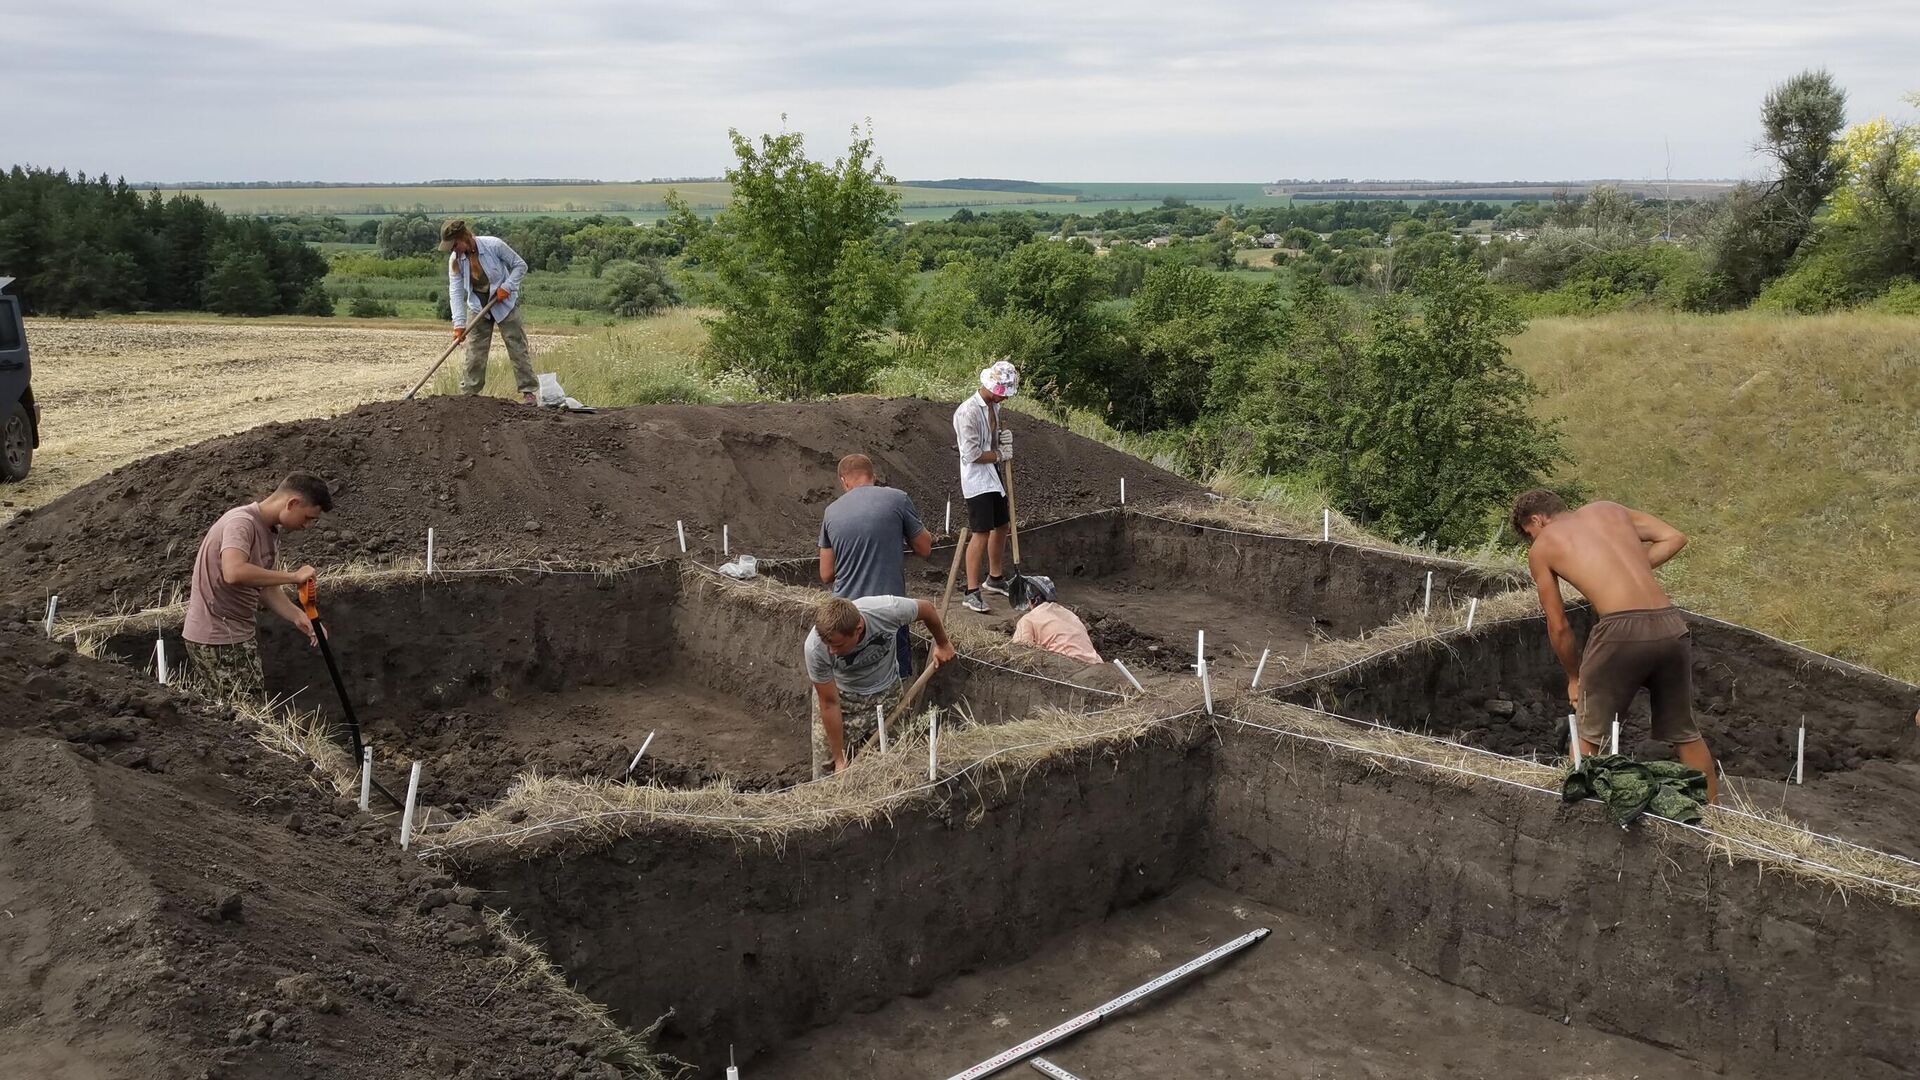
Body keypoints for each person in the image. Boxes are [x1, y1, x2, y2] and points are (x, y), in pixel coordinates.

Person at [1510, 489, 1716, 803]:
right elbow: (1674, 537)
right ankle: (1714, 819)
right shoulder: (1609, 510)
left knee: (1589, 734)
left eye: (1530, 533)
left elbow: (1559, 625)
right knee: (1686, 734)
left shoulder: (1544, 546)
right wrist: (1631, 568)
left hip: (1620, 631)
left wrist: (1574, 678)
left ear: (1537, 520)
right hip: (1671, 626)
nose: (1532, 539)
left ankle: (1574, 814)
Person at [182, 473, 332, 701]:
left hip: (237, 633)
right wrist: (293, 576)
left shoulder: (269, 532)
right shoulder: (241, 523)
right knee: (244, 716)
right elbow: (234, 572)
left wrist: (300, 617)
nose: (307, 525)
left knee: (249, 710)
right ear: (293, 503)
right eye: (308, 517)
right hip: (217, 637)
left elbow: (266, 587)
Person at [804, 595, 957, 777]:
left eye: (838, 645)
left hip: (886, 695)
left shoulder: (887, 611)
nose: (832, 651)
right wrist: (839, 760)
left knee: (889, 764)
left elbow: (927, 609)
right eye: (828, 645)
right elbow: (829, 703)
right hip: (843, 699)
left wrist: (943, 643)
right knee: (828, 773)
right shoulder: (815, 648)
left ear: (858, 629)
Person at [819, 453, 934, 680]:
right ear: (874, 476)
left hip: (847, 613)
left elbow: (826, 574)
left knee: (850, 681)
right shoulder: (898, 499)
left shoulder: (831, 512)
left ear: (844, 481)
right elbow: (925, 548)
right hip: (888, 609)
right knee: (895, 679)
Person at [440, 219, 536, 404]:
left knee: (517, 346)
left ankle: (529, 392)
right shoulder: (455, 260)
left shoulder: (494, 245)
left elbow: (520, 265)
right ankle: (469, 395)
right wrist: (458, 325)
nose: (453, 250)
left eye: (455, 245)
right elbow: (456, 291)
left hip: (503, 302)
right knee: (475, 352)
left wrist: (508, 286)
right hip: (478, 306)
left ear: (464, 238)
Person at [953, 359, 1019, 614]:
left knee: (1002, 525)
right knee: (980, 532)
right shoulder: (967, 412)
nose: (1005, 399)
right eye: (1003, 393)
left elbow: (990, 442)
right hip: (976, 479)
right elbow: (971, 454)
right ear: (991, 387)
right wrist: (1000, 454)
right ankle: (971, 591)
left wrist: (1000, 440)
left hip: (992, 475)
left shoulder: (994, 406)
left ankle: (995, 577)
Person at [1010, 576, 1103, 665]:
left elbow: (1020, 649)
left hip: (1070, 667)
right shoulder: (1070, 614)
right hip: (1098, 665)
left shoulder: (1028, 619)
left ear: (1033, 600)